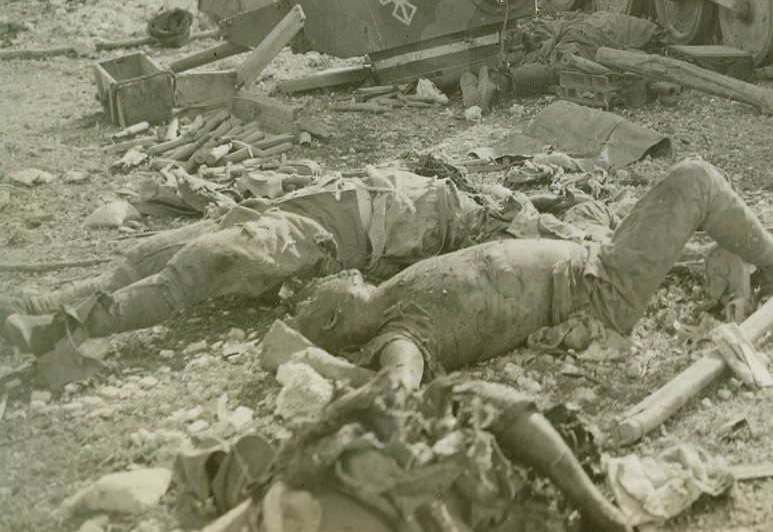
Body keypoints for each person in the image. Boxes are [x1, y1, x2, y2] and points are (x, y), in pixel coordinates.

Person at [285, 160, 773, 389]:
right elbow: (400, 384)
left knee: (682, 201)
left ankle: (765, 261)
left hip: (590, 263)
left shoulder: (393, 299)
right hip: (595, 293)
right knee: (696, 181)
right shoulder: (399, 335)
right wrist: (317, 366)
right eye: (335, 289)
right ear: (335, 318)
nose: (348, 277)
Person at [0, 166, 489, 355]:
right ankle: (34, 304)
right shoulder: (417, 183)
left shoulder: (449, 228)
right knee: (146, 256)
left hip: (307, 238)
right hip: (272, 211)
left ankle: (62, 328)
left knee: (198, 266)